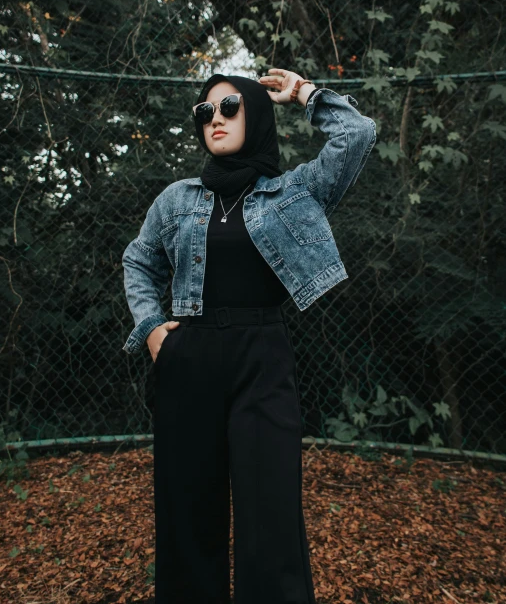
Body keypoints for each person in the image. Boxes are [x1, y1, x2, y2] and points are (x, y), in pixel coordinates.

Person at [122, 68, 377, 604]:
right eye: (205, 111)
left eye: (231, 106)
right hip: (187, 356)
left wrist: (304, 93)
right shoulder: (177, 198)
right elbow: (138, 260)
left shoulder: (293, 191)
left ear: (256, 113)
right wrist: (151, 331)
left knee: (271, 515)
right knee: (187, 513)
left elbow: (356, 135)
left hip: (263, 358)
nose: (215, 118)